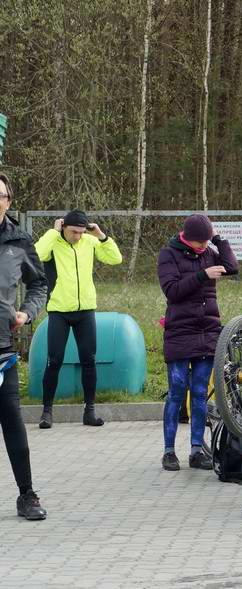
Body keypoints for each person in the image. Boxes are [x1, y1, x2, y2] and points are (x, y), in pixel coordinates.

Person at [157, 214, 238, 471]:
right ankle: (169, 451)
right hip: (180, 331)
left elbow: (232, 267)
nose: (204, 247)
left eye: (206, 242)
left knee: (201, 392)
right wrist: (203, 275)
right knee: (177, 390)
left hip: (207, 331)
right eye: (200, 243)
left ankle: (196, 451)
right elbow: (172, 290)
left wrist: (218, 239)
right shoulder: (168, 254)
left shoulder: (209, 250)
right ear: (186, 239)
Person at [34, 210, 123, 428]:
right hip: (59, 311)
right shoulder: (53, 243)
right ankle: (47, 412)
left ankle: (89, 411)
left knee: (89, 360)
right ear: (63, 227)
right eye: (74, 231)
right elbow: (36, 254)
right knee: (54, 360)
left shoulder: (89, 243)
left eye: (81, 232)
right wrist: (53, 233)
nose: (77, 236)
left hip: (85, 311)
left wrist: (101, 235)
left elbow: (115, 258)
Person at [0, 174, 48, 520]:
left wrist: (27, 313)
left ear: (9, 201)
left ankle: (27, 495)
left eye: (0, 195)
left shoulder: (19, 241)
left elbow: (39, 284)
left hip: (2, 349)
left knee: (13, 423)